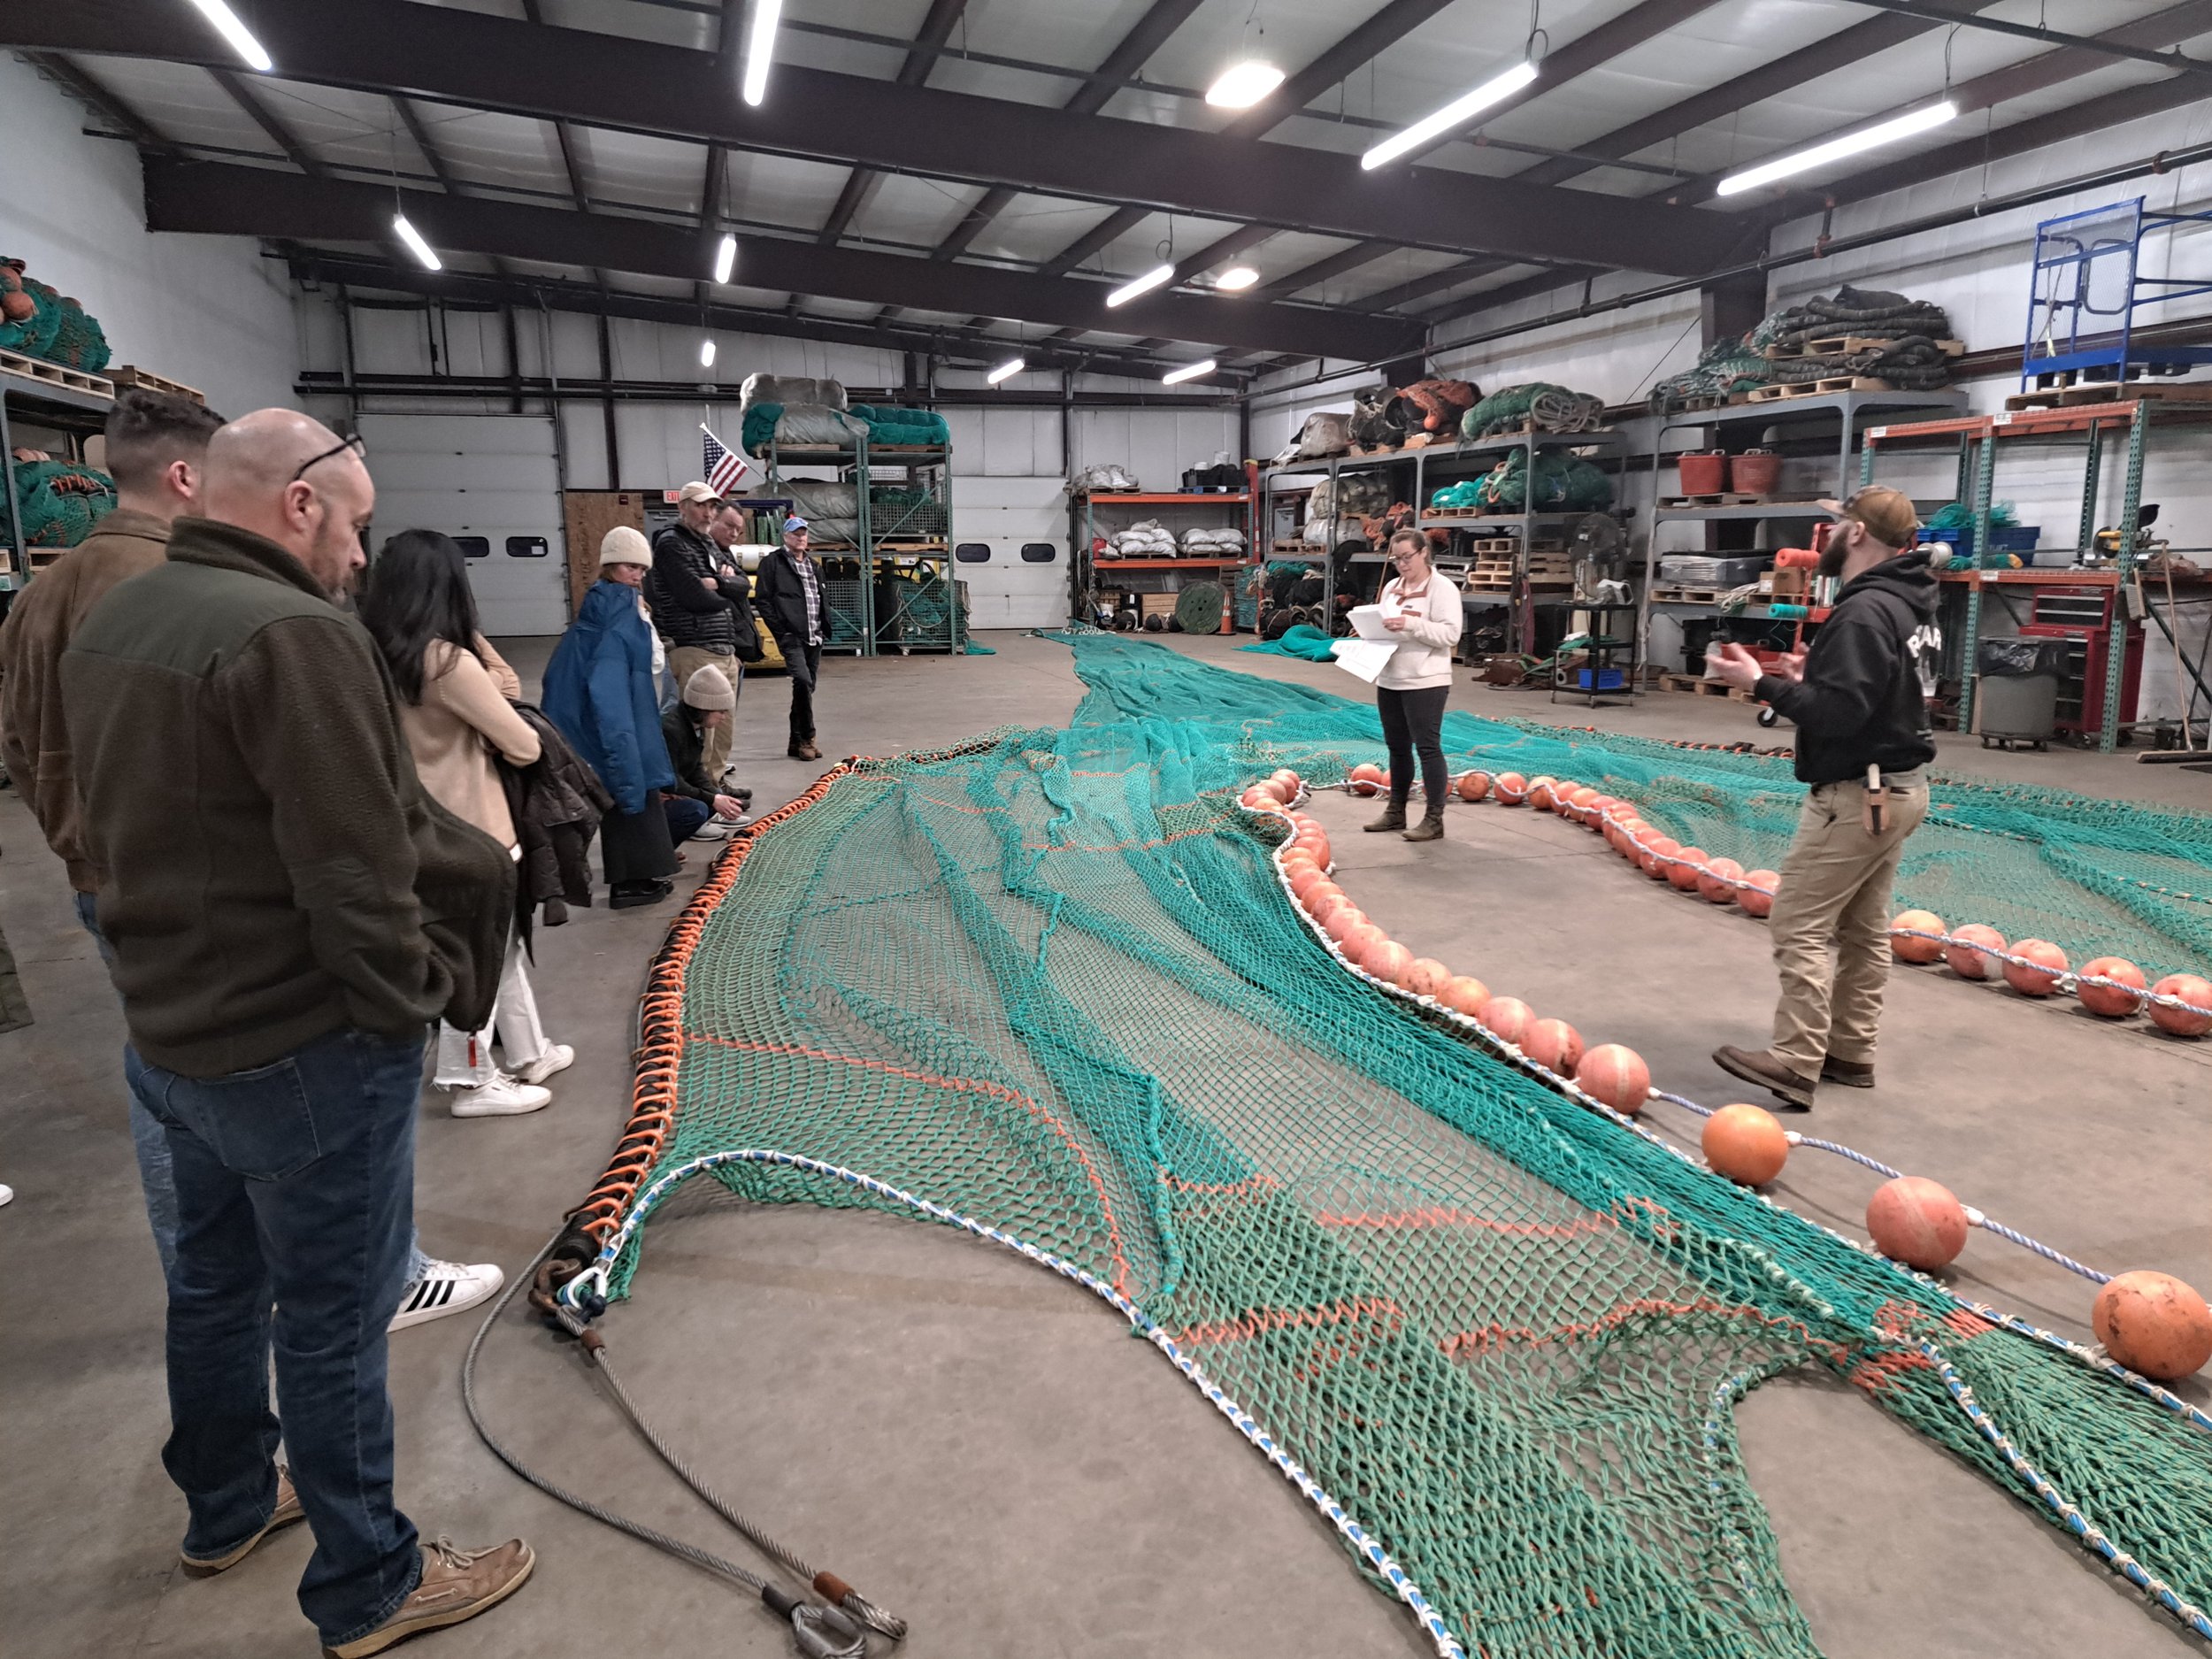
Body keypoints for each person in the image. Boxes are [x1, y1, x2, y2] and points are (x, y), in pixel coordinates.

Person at [60, 409, 533, 1655]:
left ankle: (223, 1504)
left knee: (214, 1289)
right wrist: (408, 1000)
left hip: (169, 1031)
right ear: (299, 505)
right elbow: (356, 871)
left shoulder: (118, 612)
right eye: (358, 525)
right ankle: (372, 1578)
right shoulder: (293, 635)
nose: (362, 558)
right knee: (331, 1316)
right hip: (302, 1045)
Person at [0, 388, 222, 1274]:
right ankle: (335, 1273)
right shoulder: (177, 589)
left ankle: (197, 1275)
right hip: (190, 882)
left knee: (159, 1072)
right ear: (182, 475)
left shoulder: (40, 598)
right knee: (259, 1081)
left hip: (96, 875)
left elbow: (17, 747)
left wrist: (74, 839)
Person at [1708, 486, 1937, 1111]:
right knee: (1863, 929)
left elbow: (1839, 715)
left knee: (1799, 921)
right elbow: (1884, 693)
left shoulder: (1863, 613)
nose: (1828, 536)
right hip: (1900, 786)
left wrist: (1764, 684)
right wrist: (1819, 676)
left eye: (1835, 525)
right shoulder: (1908, 603)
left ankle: (1795, 1059)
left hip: (1859, 794)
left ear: (1858, 533)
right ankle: (1850, 1050)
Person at [360, 529, 572, 1118]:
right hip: (475, 830)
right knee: (472, 956)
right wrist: (473, 652)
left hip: (415, 825)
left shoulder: (372, 653)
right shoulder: (447, 662)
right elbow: (523, 742)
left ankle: (529, 1052)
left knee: (495, 950)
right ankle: (470, 1081)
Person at [544, 526, 680, 908]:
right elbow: (609, 684)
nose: (637, 575)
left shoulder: (608, 607)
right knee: (628, 787)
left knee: (634, 790)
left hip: (631, 712)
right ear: (609, 566)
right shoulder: (618, 613)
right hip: (624, 715)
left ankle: (639, 874)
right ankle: (630, 881)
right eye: (628, 566)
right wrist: (621, 733)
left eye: (641, 568)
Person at [1363, 527, 1463, 843]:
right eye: (1397, 559)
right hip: (1391, 676)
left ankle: (1435, 818)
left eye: (1407, 557)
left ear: (1423, 553)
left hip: (1426, 680)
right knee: (1397, 746)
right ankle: (1396, 811)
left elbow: (1450, 635)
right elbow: (1382, 626)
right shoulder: (1392, 587)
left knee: (1428, 747)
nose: (1403, 564)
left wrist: (1411, 624)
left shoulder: (1443, 589)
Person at [650, 480, 748, 777]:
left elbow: (742, 586)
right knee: (700, 734)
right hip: (695, 648)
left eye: (711, 507)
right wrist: (724, 589)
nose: (706, 513)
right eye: (700, 505)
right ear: (683, 507)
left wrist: (719, 583)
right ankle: (701, 800)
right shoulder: (671, 543)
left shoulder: (707, 544)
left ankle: (717, 788)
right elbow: (695, 596)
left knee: (723, 730)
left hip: (724, 649)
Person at [757, 514, 828, 761]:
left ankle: (794, 741)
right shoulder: (773, 563)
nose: (800, 537)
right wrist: (781, 630)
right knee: (803, 682)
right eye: (795, 533)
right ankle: (808, 738)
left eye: (803, 533)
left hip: (814, 636)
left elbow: (820, 598)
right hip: (792, 636)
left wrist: (824, 626)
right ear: (785, 537)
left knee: (805, 689)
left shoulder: (814, 565)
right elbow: (763, 600)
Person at [662, 664, 752, 848]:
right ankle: (657, 856)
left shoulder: (695, 726)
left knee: (712, 801)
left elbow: (694, 768)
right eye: (721, 711)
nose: (724, 718)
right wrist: (712, 799)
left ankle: (664, 853)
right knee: (696, 810)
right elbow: (670, 780)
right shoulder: (670, 730)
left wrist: (717, 796)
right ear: (704, 708)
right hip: (657, 797)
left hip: (670, 790)